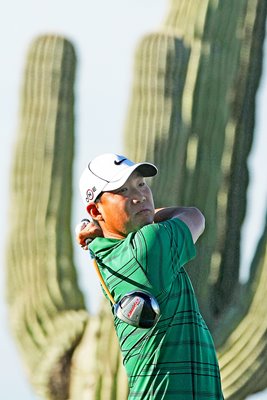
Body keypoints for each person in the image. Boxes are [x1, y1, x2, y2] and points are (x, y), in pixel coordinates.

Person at [77, 153, 224, 399]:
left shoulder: (105, 251)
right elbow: (194, 216)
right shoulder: (148, 247)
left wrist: (100, 226)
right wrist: (149, 212)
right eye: (122, 190)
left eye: (141, 184)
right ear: (96, 210)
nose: (139, 196)